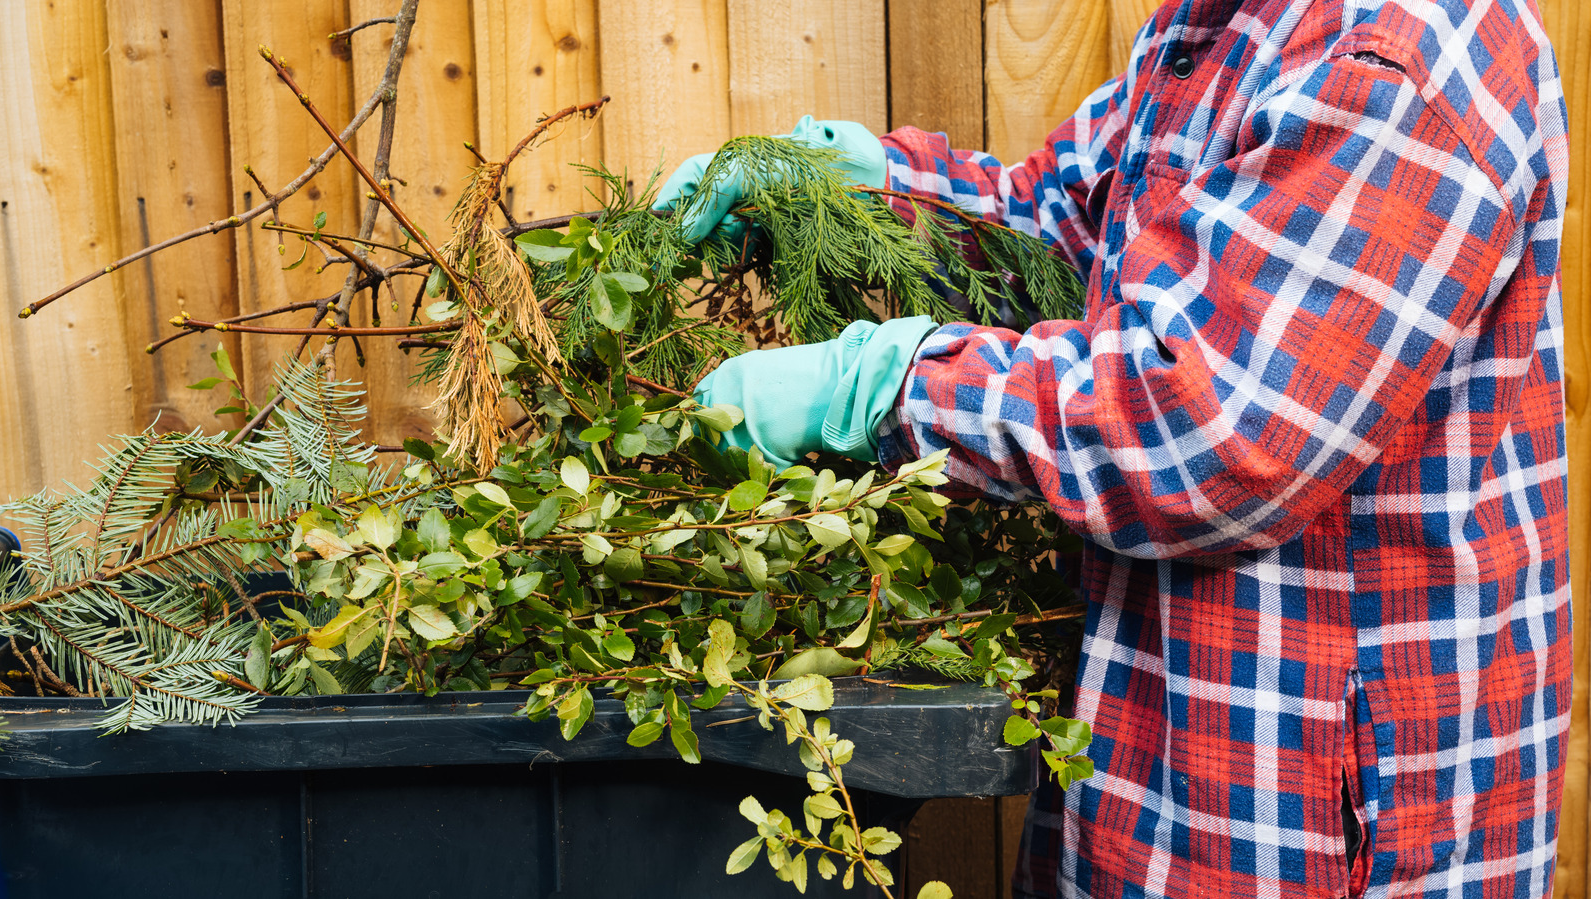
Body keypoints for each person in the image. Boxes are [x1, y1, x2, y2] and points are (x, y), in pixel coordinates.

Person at [656, 0, 1571, 896]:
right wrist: (855, 197)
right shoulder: (1217, 21)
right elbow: (1071, 236)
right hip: (1146, 763)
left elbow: (1204, 432)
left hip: (1307, 814)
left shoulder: (1409, 44)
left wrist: (887, 389)